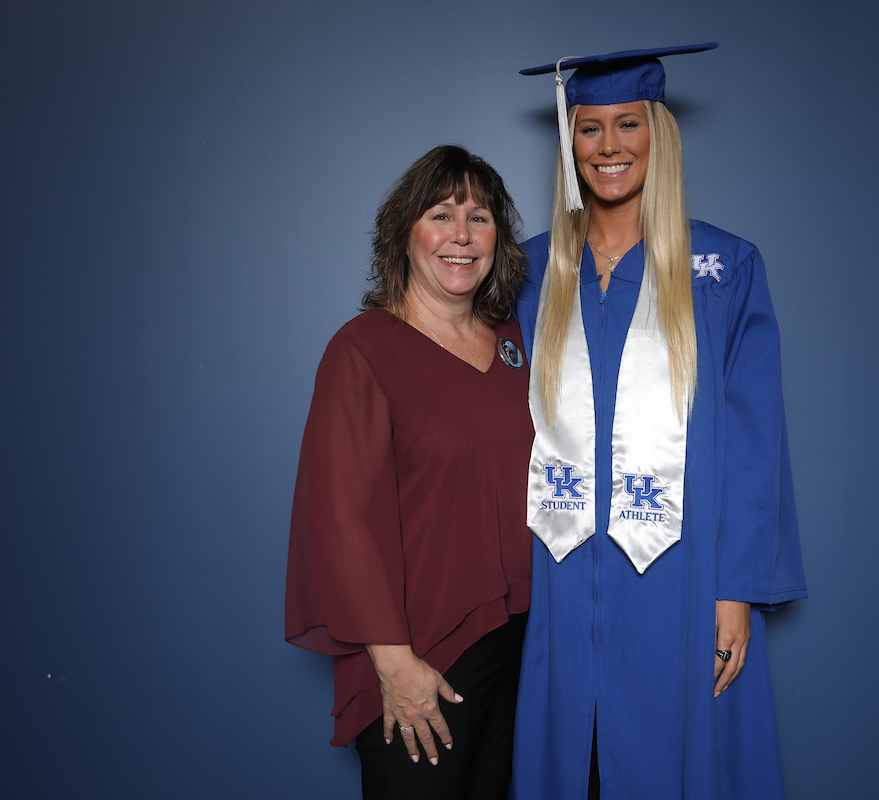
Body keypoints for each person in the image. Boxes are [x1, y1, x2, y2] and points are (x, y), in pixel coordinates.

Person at [511, 46, 808, 799]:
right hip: (557, 565)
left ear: (659, 135)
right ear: (569, 141)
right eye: (589, 129)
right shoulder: (529, 270)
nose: (609, 147)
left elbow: (753, 442)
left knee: (678, 756)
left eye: (628, 125)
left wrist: (736, 591)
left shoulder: (723, 268)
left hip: (681, 570)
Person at [284, 144, 533, 800]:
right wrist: (393, 663)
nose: (461, 235)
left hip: (517, 644)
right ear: (405, 233)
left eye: (479, 218)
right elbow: (343, 520)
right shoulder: (362, 350)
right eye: (441, 215)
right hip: (420, 652)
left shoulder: (515, 343)